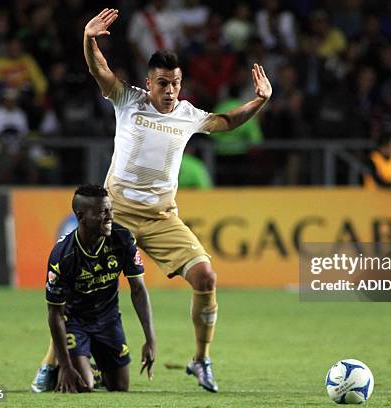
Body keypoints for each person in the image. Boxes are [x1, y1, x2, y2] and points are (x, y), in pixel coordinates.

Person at [32, 7, 272, 394]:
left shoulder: (189, 114)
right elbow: (100, 71)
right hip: (115, 213)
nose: (170, 91)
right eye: (162, 83)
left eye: (175, 83)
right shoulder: (128, 100)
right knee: (82, 288)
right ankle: (50, 363)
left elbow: (226, 122)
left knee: (206, 277)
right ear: (149, 82)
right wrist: (88, 39)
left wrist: (259, 101)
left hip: (161, 217)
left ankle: (201, 359)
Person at [41, 184, 155, 393]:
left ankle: (93, 368)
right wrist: (66, 367)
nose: (109, 216)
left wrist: (150, 339)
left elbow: (138, 289)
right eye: (102, 212)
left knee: (120, 387)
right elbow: (54, 313)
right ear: (81, 216)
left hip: (108, 319)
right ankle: (56, 367)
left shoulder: (123, 239)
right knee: (83, 386)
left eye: (110, 210)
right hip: (75, 321)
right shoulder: (63, 256)